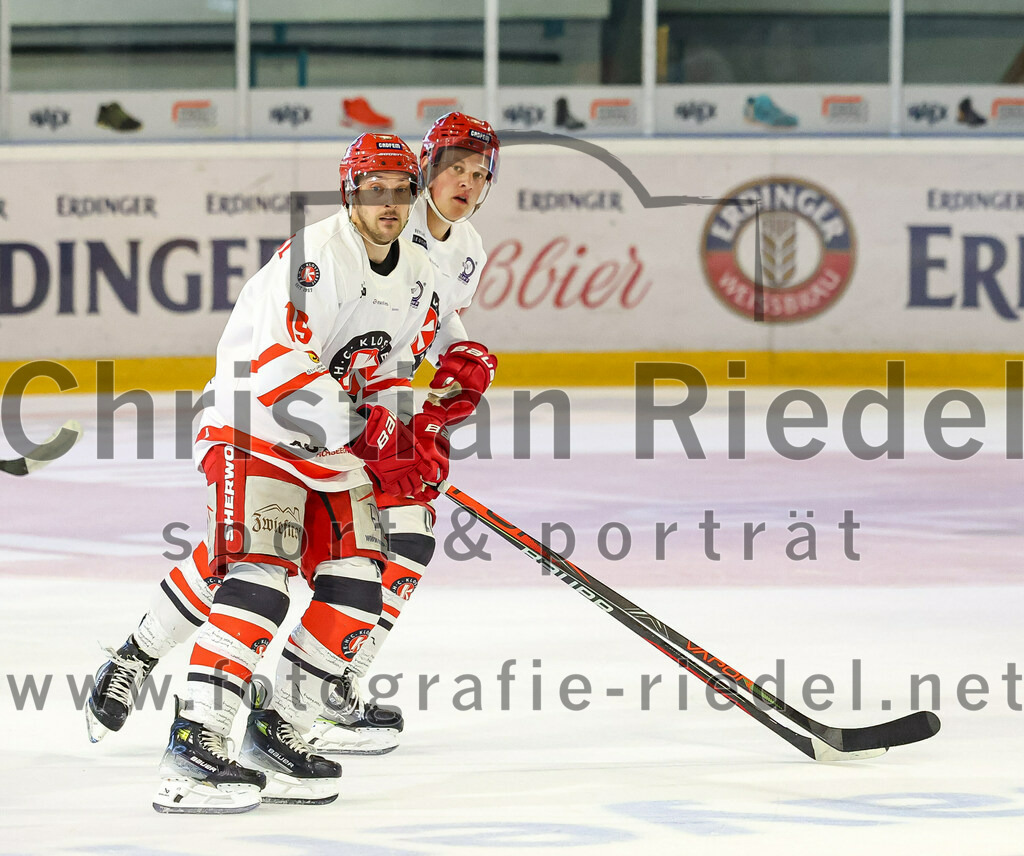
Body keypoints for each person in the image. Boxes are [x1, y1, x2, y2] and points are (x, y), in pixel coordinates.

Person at [86, 114, 501, 768]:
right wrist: (375, 423)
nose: (464, 183)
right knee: (252, 563)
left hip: (334, 423)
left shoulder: (446, 253)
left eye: (478, 173)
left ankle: (312, 697)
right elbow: (286, 365)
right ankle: (148, 670)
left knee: (379, 557)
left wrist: (433, 403)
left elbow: (407, 342)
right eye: (453, 169)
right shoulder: (334, 248)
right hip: (262, 419)